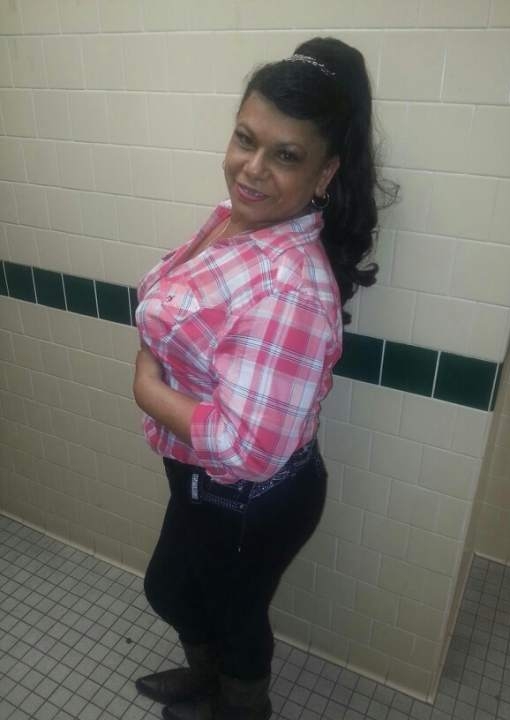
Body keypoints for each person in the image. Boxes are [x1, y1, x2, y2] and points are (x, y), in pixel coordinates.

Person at [132, 36, 381, 720]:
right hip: (197, 475)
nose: (253, 168)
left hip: (249, 496)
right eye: (246, 139)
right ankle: (207, 680)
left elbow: (246, 448)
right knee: (173, 589)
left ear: (325, 173)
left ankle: (242, 708)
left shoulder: (290, 287)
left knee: (236, 615)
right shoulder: (234, 223)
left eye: (286, 156)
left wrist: (147, 387)